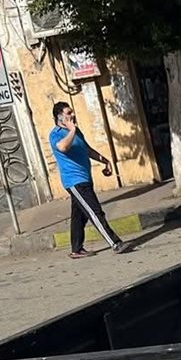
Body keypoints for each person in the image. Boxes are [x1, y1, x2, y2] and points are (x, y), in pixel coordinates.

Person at [49, 101, 125, 259]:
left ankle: (76, 249)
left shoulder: (77, 132)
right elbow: (63, 147)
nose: (73, 115)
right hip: (74, 181)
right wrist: (71, 130)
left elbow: (87, 150)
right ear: (59, 117)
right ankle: (115, 242)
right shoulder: (55, 134)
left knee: (79, 216)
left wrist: (105, 161)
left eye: (72, 112)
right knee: (95, 212)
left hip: (85, 178)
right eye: (68, 113)